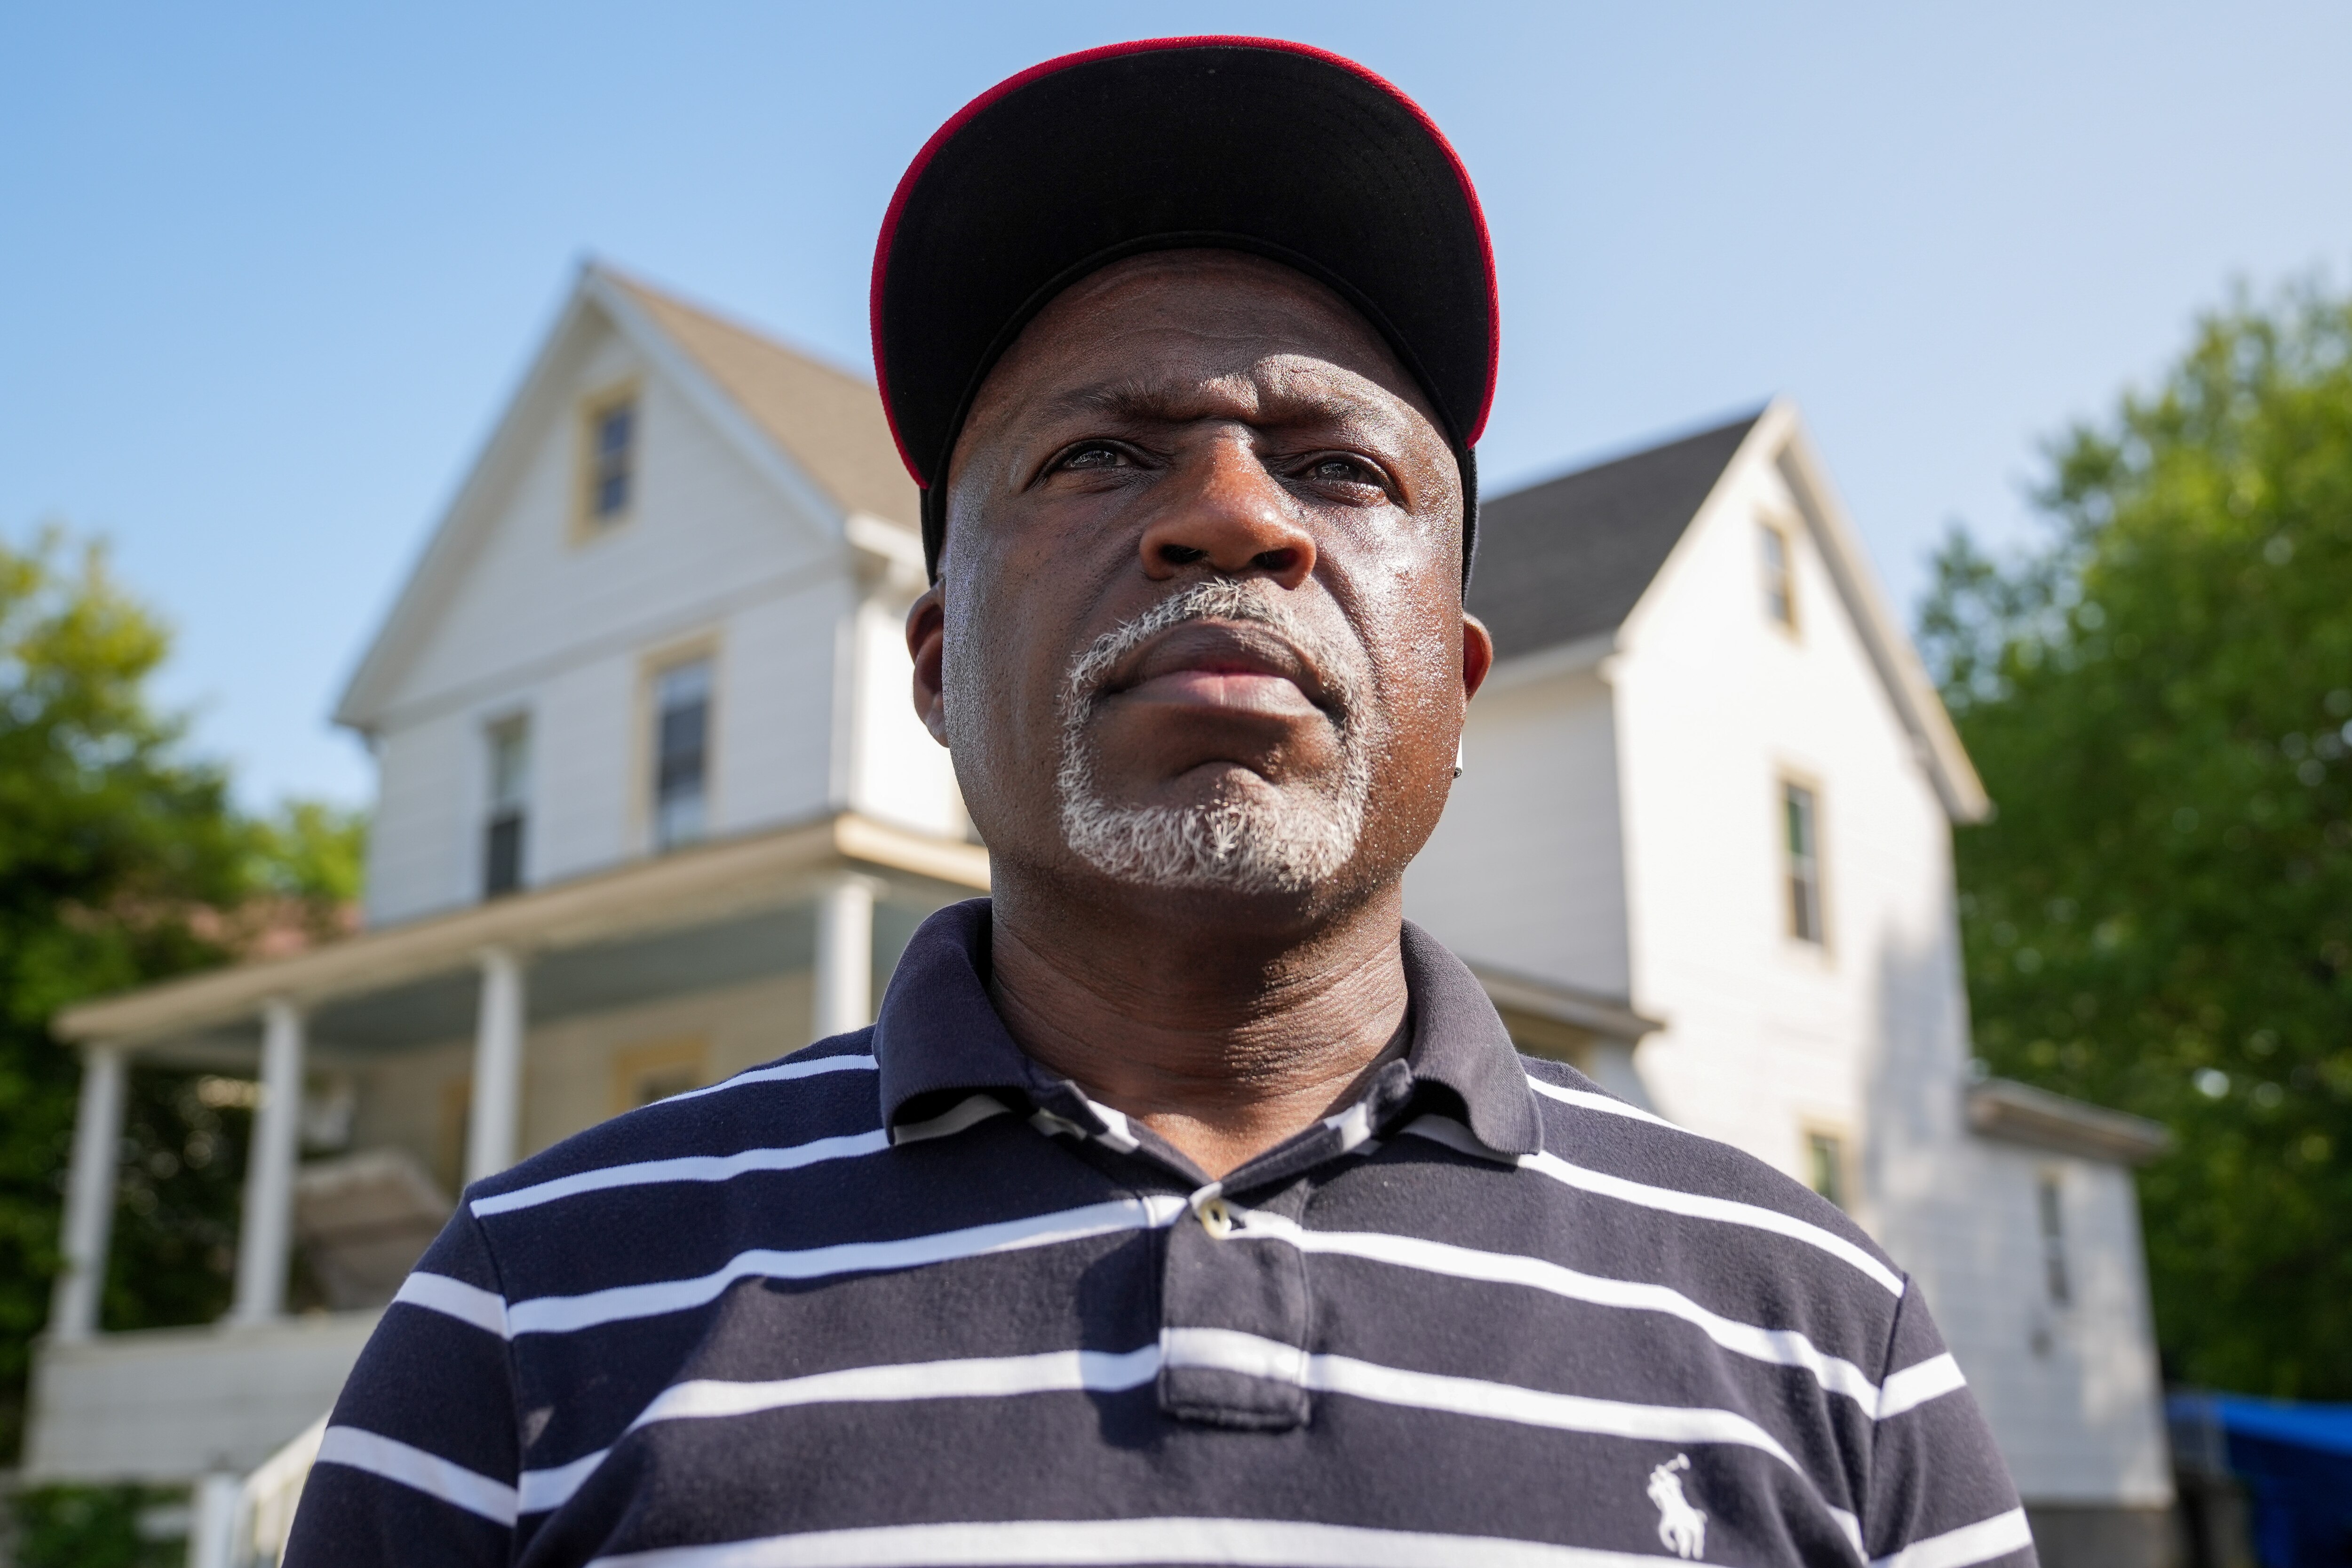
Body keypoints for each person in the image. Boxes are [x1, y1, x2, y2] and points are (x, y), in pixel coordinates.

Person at [287, 38, 2035, 1568]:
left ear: (1461, 685)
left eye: (1339, 466)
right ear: (936, 665)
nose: (1228, 515)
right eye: (1098, 454)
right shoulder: (525, 1316)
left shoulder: (1830, 1347)